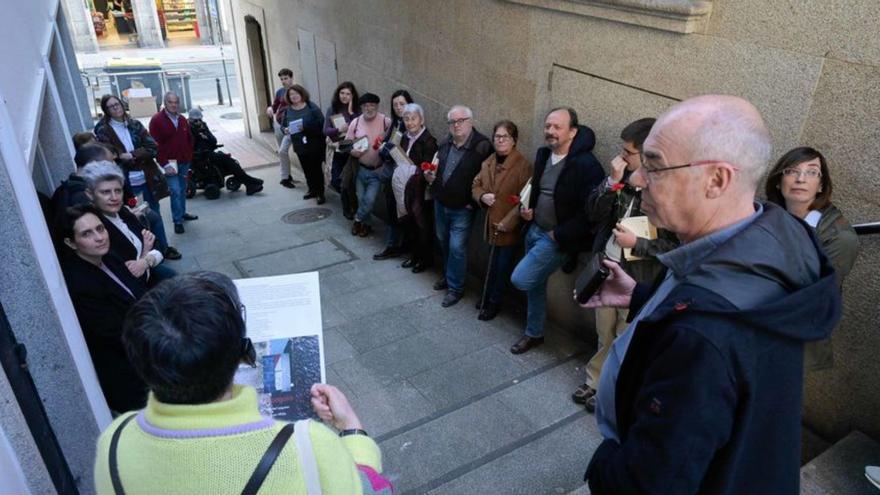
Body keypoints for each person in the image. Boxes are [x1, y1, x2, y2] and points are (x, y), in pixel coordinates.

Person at [581, 95, 842, 494]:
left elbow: (648, 483)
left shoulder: (704, 337)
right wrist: (642, 297)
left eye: (654, 165)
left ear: (717, 180)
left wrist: (604, 461)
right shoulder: (774, 232)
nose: (637, 179)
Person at [93, 272, 393, 494]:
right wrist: (352, 429)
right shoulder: (307, 446)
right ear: (241, 354)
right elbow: (374, 489)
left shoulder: (113, 439)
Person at [571, 118, 678, 412]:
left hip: (637, 279)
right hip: (607, 269)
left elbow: (676, 247)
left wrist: (638, 244)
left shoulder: (663, 194)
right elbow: (593, 212)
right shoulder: (622, 182)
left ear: (646, 156)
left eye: (627, 152)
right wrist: (612, 182)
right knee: (604, 332)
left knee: (626, 337)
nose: (621, 157)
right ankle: (594, 380)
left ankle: (612, 388)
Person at [508, 107, 605, 354]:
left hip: (556, 239)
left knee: (522, 279)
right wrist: (528, 211)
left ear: (573, 131)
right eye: (547, 126)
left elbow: (591, 214)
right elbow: (539, 190)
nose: (550, 131)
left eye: (557, 127)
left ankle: (534, 330)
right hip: (535, 228)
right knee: (535, 285)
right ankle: (534, 333)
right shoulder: (543, 155)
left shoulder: (587, 166)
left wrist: (559, 234)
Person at [765, 146, 859, 370]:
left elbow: (814, 295)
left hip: (791, 338)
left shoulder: (840, 238)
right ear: (779, 181)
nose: (800, 178)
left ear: (821, 186)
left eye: (811, 172)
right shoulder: (763, 215)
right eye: (791, 171)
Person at [60, 204, 148, 413]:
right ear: (71, 243)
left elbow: (139, 291)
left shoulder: (109, 257)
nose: (99, 237)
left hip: (147, 343)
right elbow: (117, 333)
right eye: (87, 234)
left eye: (100, 228)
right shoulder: (80, 283)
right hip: (129, 372)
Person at [92, 96, 180, 260]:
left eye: (117, 104)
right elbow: (110, 155)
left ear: (122, 104)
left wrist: (131, 155)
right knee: (137, 217)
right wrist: (124, 156)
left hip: (147, 177)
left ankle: (163, 247)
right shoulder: (103, 130)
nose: (116, 108)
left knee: (155, 212)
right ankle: (146, 252)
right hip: (127, 182)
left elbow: (152, 147)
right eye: (111, 107)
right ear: (106, 110)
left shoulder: (134, 124)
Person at [424, 105, 493, 307]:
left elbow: (486, 180)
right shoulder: (446, 142)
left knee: (457, 247)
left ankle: (456, 288)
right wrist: (431, 177)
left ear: (470, 122)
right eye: (453, 122)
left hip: (463, 208)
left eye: (461, 120)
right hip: (441, 202)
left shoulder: (482, 147)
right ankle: (448, 276)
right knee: (444, 241)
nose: (456, 125)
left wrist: (474, 202)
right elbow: (438, 167)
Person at [471, 120, 532, 321]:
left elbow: (525, 199)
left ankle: (495, 302)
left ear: (513, 140)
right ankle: (486, 296)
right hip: (491, 225)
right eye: (497, 136)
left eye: (505, 137)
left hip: (507, 228)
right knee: (491, 264)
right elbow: (476, 184)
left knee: (502, 268)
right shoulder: (489, 161)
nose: (500, 140)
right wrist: (481, 196)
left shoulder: (523, 166)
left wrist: (509, 221)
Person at [82, 161, 176, 285]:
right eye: (105, 192)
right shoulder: (96, 227)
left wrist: (144, 261)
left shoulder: (123, 211)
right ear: (90, 194)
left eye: (118, 191)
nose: (114, 197)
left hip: (150, 274)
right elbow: (131, 277)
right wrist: (146, 254)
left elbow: (157, 245)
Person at [389, 103, 439, 272]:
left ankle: (424, 260)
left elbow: (426, 167)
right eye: (406, 119)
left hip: (419, 190)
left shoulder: (429, 142)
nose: (410, 123)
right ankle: (414, 256)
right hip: (404, 188)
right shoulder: (404, 137)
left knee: (421, 225)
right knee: (409, 223)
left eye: (413, 119)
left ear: (421, 120)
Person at [373, 90, 415, 261]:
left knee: (400, 212)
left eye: (402, 104)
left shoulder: (410, 126)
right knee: (392, 211)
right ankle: (394, 245)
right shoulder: (396, 123)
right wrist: (383, 147)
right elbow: (387, 148)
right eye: (395, 104)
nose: (398, 107)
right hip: (390, 174)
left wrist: (386, 149)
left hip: (402, 177)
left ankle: (397, 246)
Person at [149, 91, 198, 234]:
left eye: (176, 102)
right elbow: (154, 145)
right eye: (171, 102)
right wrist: (165, 164)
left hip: (184, 162)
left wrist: (189, 155)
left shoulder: (182, 119)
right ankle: (177, 220)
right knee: (175, 191)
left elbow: (189, 138)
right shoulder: (157, 120)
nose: (174, 105)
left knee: (182, 189)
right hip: (169, 164)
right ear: (165, 103)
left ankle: (182, 213)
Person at [188, 108, 264, 196]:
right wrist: (197, 135)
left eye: (199, 119)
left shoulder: (203, 126)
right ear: (190, 119)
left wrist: (206, 135)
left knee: (230, 161)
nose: (198, 122)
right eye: (195, 120)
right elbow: (190, 147)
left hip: (210, 153)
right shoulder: (189, 130)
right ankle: (250, 182)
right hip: (200, 156)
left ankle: (249, 183)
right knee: (225, 158)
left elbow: (214, 141)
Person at [345, 93, 392, 237]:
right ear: (361, 107)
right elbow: (347, 144)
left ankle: (358, 220)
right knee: (361, 200)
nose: (369, 108)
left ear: (377, 106)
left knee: (369, 200)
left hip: (377, 171)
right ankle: (366, 225)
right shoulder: (356, 123)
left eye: (372, 105)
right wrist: (353, 152)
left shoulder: (386, 122)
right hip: (360, 169)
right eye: (365, 105)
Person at [280, 84, 327, 204]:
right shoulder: (288, 110)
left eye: (296, 93)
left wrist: (305, 127)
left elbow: (322, 125)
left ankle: (320, 193)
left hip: (314, 143)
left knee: (316, 169)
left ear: (302, 94)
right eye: (291, 94)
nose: (294, 96)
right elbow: (283, 125)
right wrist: (284, 129)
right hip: (299, 144)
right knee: (306, 169)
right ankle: (312, 190)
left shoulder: (312, 107)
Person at [324, 81, 360, 217]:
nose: (344, 96)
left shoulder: (356, 111)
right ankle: (348, 202)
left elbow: (358, 129)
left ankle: (348, 208)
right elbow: (325, 130)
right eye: (342, 93)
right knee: (335, 180)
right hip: (336, 149)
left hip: (350, 149)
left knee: (348, 180)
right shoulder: (332, 109)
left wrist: (351, 113)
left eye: (348, 94)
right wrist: (339, 129)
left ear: (353, 96)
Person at [268, 68, 298, 188]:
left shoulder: (297, 91)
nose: (283, 81)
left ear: (291, 78)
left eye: (286, 78)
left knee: (283, 150)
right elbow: (275, 106)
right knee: (282, 153)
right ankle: (287, 176)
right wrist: (270, 108)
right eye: (281, 79)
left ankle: (284, 178)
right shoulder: (280, 91)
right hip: (279, 124)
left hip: (291, 126)